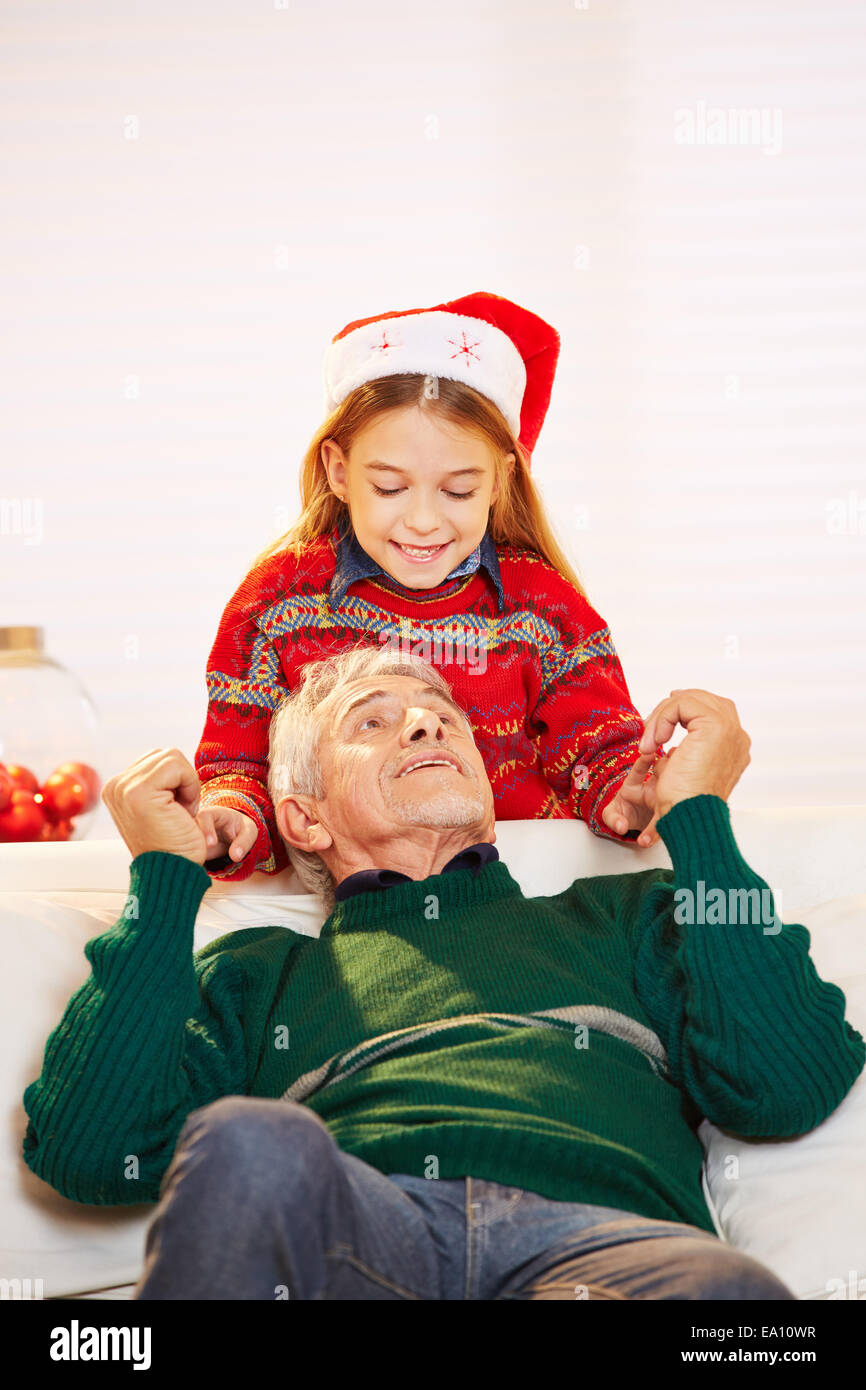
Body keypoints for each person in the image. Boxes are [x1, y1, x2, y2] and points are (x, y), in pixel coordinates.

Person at [21, 648, 865, 1300]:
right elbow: (91, 1154)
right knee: (250, 1145)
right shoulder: (257, 971)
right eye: (374, 722)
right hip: (359, 1239)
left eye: (441, 716)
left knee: (736, 1309)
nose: (426, 726)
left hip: (605, 1248)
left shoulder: (624, 914)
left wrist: (697, 817)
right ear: (302, 818)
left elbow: (786, 1084)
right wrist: (165, 880)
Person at [192, 289, 668, 884]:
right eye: (390, 488)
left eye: (458, 491)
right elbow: (240, 763)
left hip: (524, 886)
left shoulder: (541, 604)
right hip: (359, 895)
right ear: (339, 471)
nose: (422, 521)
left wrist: (630, 795)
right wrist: (232, 818)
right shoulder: (277, 601)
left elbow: (600, 748)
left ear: (501, 478)